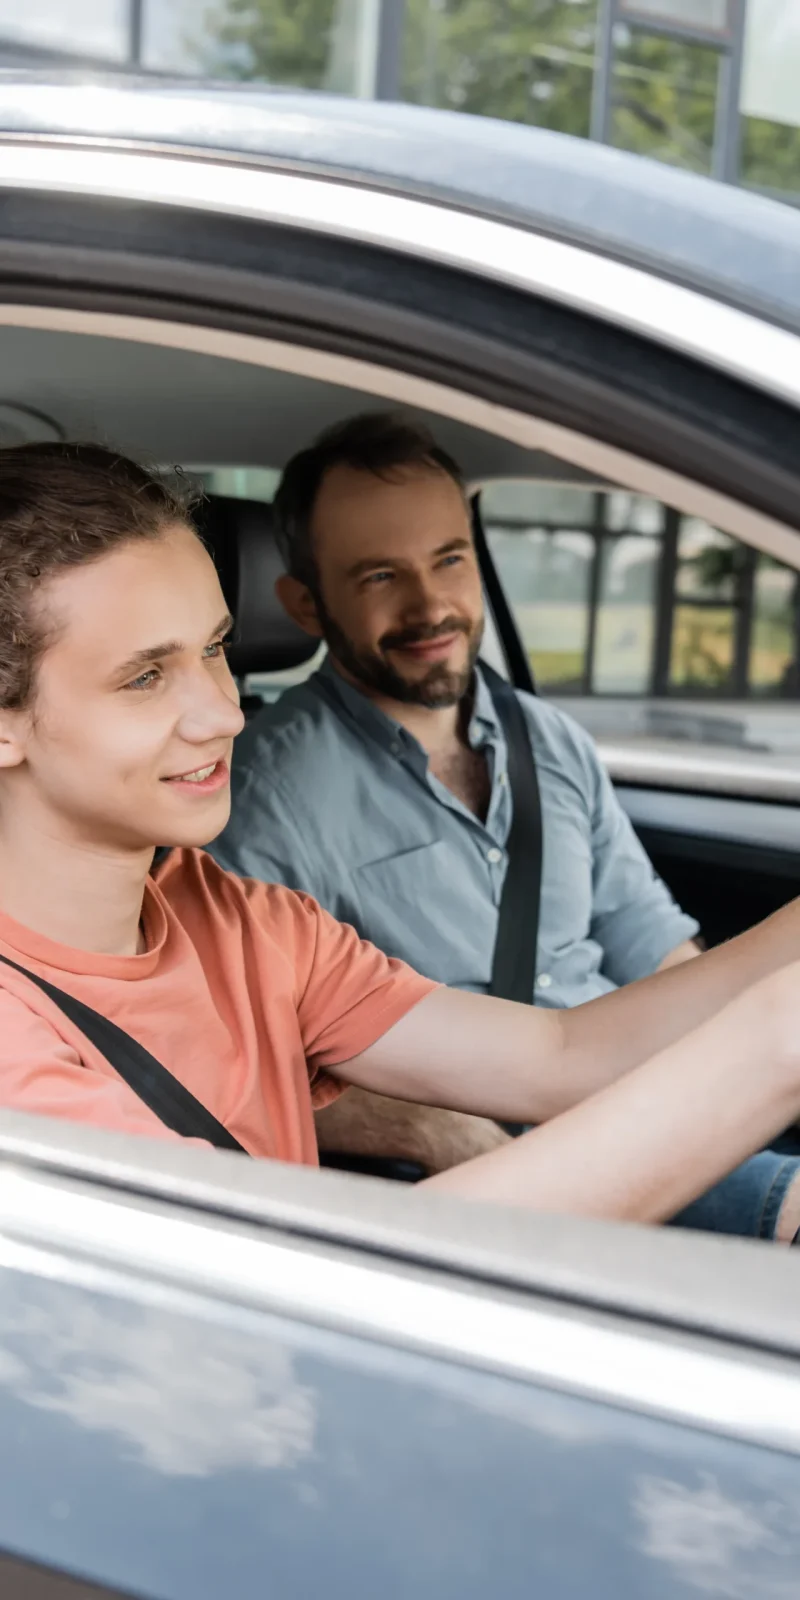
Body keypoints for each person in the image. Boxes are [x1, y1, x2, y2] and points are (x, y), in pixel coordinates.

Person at [2, 441, 800, 1245]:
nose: (226, 713)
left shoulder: (247, 923)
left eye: (214, 649)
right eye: (145, 677)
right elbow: (282, 1290)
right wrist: (769, 1047)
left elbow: (559, 1054)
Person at [211, 413, 699, 1170]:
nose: (430, 606)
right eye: (380, 576)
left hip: (646, 1107)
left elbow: (655, 946)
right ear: (306, 605)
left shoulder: (549, 739)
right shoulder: (265, 792)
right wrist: (427, 1129)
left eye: (448, 560)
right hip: (498, 1161)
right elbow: (239, 1058)